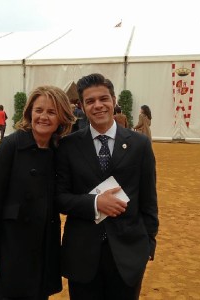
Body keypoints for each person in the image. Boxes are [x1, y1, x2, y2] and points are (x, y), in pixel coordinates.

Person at [56, 73, 159, 299]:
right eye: (90, 101)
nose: (98, 105)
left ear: (113, 100)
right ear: (81, 106)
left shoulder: (140, 145)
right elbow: (60, 197)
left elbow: (149, 198)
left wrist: (148, 243)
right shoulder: (68, 145)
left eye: (104, 99)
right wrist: (95, 202)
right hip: (83, 254)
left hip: (128, 253)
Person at [0, 86, 75, 300]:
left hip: (45, 245)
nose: (43, 117)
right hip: (13, 246)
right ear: (29, 112)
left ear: (62, 117)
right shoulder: (11, 146)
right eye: (39, 110)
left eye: (51, 112)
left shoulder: (58, 149)